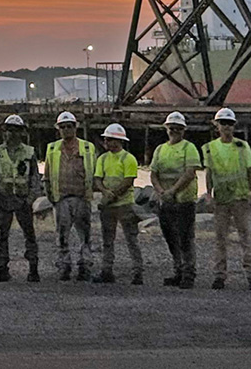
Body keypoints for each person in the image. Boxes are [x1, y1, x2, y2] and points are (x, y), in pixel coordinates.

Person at [204, 107, 251, 291]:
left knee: (245, 236)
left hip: (240, 197)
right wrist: (208, 193)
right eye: (223, 123)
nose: (226, 127)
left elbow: (250, 172)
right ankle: (219, 275)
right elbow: (209, 172)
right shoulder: (210, 148)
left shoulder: (243, 146)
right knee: (220, 238)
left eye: (229, 123)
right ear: (217, 126)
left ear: (234, 126)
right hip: (221, 199)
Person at [149, 111, 201, 289]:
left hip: (184, 199)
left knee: (185, 237)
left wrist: (172, 190)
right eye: (171, 128)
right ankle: (177, 270)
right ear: (166, 129)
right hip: (165, 200)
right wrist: (162, 191)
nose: (174, 131)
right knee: (170, 237)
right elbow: (154, 173)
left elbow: (189, 173)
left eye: (178, 129)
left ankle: (189, 273)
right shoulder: (160, 150)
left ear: (184, 131)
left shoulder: (189, 148)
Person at [44, 111, 96, 283]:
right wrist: (50, 195)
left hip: (82, 197)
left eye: (69, 126)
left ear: (76, 127)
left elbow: (94, 172)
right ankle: (64, 265)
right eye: (63, 127)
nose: (66, 129)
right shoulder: (52, 148)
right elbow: (47, 174)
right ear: (58, 129)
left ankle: (84, 265)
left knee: (85, 234)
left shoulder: (88, 147)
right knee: (62, 234)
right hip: (62, 198)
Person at [0, 114, 41, 283]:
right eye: (9, 130)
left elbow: (35, 177)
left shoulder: (29, 152)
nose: (11, 133)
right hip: (4, 199)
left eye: (15, 130)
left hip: (22, 199)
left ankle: (33, 269)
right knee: (3, 237)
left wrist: (31, 198)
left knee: (30, 236)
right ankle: (2, 269)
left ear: (21, 132)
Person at [93, 123, 142, 285]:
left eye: (109, 140)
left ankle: (137, 272)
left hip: (124, 204)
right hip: (109, 205)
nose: (106, 143)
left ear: (118, 141)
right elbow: (97, 178)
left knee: (131, 239)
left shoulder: (128, 159)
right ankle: (107, 271)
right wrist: (105, 192)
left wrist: (111, 195)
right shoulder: (103, 158)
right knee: (107, 240)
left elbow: (128, 180)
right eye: (106, 140)